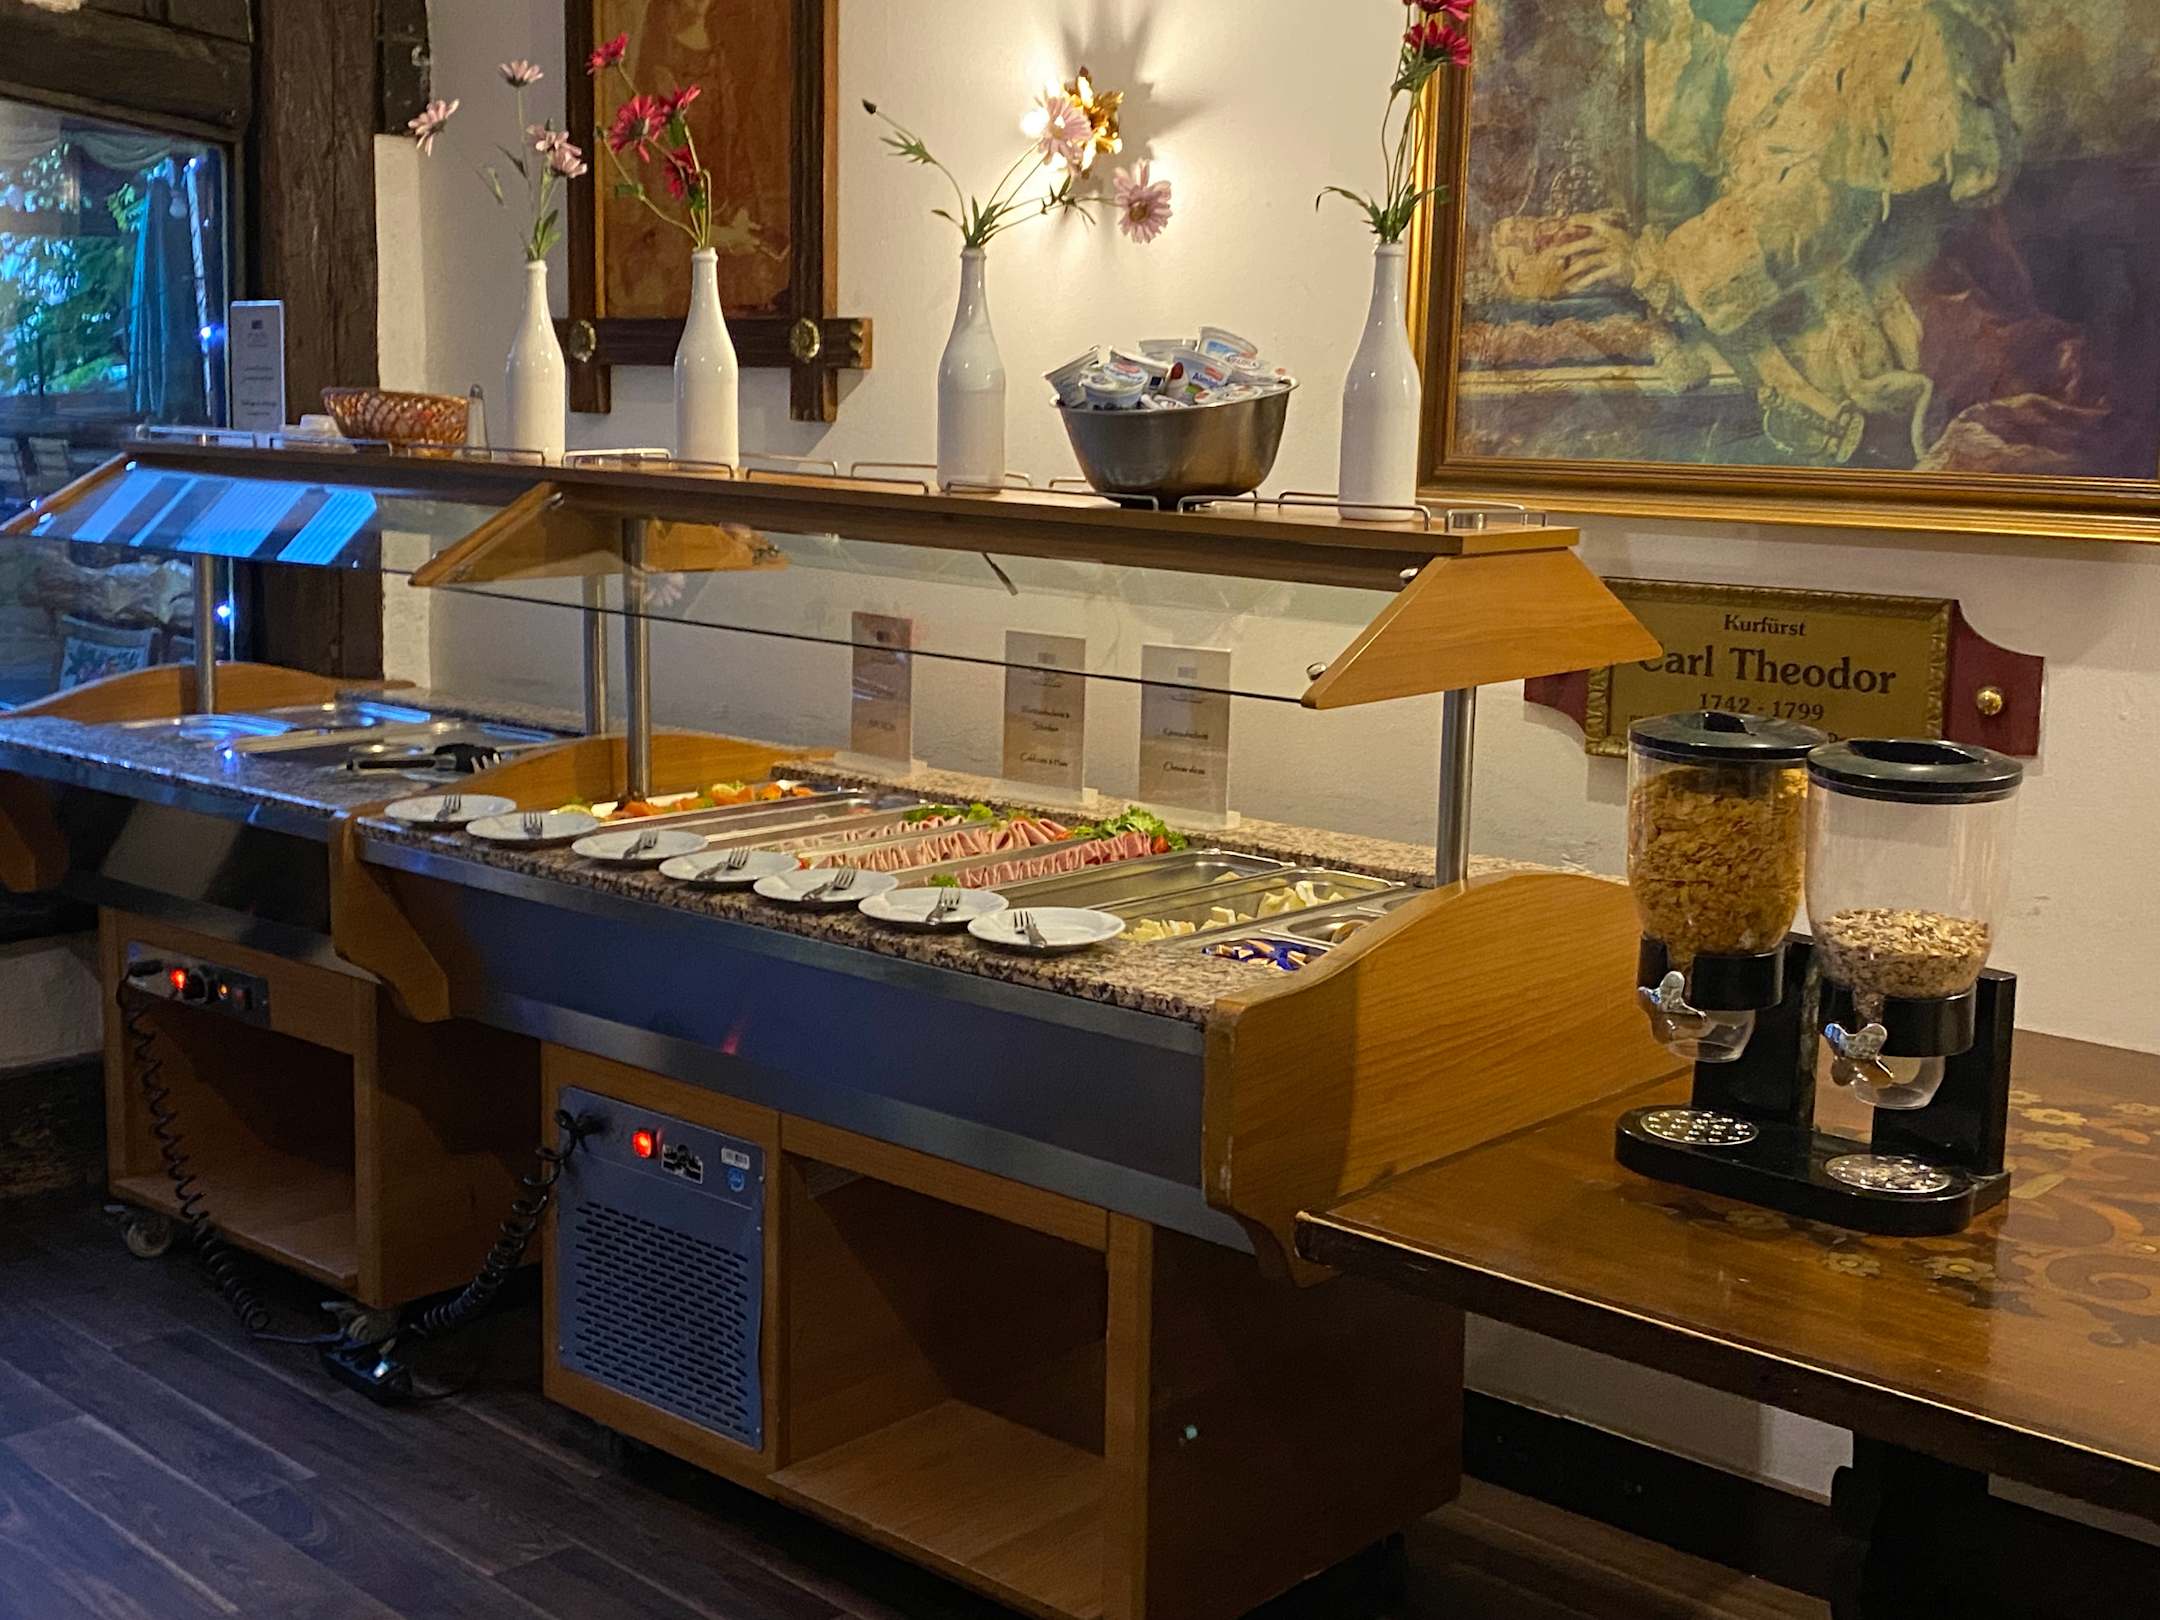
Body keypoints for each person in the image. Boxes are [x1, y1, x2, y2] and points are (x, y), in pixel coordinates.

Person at [1500, 0, 2160, 476]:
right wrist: (1664, 25)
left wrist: (1656, 264)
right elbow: (1727, 130)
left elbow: (1818, 213)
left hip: (1907, 315)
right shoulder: (1789, 13)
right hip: (1797, 298)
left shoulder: (1898, 19)